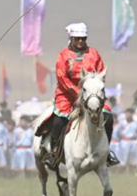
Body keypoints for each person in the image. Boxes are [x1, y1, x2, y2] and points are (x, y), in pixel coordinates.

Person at [50, 22, 118, 166]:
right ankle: (54, 152)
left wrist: (92, 93)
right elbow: (62, 77)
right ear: (71, 38)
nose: (81, 41)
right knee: (58, 121)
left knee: (108, 118)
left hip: (91, 95)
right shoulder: (64, 55)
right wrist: (78, 93)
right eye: (77, 38)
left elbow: (100, 76)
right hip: (67, 95)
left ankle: (106, 152)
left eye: (83, 38)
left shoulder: (94, 54)